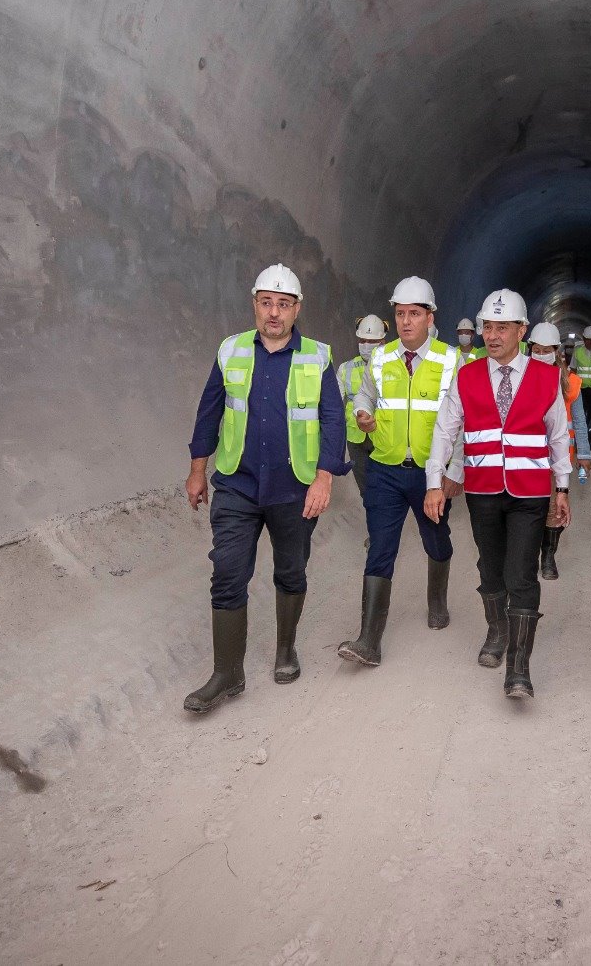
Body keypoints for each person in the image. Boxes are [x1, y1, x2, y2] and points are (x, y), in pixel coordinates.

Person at [183, 263, 346, 714]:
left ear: (297, 309)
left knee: (290, 571)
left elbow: (333, 420)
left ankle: (286, 649)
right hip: (238, 484)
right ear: (255, 304)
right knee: (227, 572)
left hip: (295, 488)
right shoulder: (231, 350)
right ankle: (227, 674)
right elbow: (209, 411)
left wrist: (324, 477)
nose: (274, 312)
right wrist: (197, 469)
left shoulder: (316, 356)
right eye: (267, 303)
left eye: (284, 304)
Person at [425, 290, 570, 699]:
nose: (491, 335)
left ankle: (519, 666)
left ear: (521, 331)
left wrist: (562, 487)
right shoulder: (467, 376)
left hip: (530, 494)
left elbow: (559, 436)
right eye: (487, 327)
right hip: (483, 490)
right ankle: (497, 630)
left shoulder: (545, 378)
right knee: (490, 567)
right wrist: (435, 482)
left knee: (520, 573)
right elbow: (445, 431)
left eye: (502, 328)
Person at [338, 277, 464, 667]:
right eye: (400, 314)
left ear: (430, 317)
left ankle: (437, 600)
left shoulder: (450, 360)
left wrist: (455, 470)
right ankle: (368, 639)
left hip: (430, 475)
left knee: (436, 540)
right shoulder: (381, 357)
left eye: (414, 314)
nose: (406, 321)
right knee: (380, 547)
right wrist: (363, 412)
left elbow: (465, 420)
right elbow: (365, 394)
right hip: (385, 469)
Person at [528, 322, 590, 580]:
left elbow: (580, 421)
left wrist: (584, 454)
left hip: (558, 458)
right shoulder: (519, 377)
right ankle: (528, 552)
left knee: (555, 508)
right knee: (529, 508)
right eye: (537, 350)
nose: (542, 354)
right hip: (526, 457)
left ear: (557, 352)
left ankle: (548, 556)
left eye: (547, 350)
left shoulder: (570, 383)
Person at [338, 314, 388, 504]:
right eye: (363, 340)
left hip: (383, 436)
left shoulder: (394, 366)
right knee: (365, 488)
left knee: (386, 486)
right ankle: (374, 520)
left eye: (372, 341)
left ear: (383, 341)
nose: (366, 345)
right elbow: (334, 404)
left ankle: (383, 520)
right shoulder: (346, 368)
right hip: (355, 438)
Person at [571, 326, 591, 455]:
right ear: (583, 339)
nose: (589, 342)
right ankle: (579, 443)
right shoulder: (577, 352)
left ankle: (589, 443)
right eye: (587, 339)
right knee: (580, 417)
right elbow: (573, 370)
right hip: (581, 390)